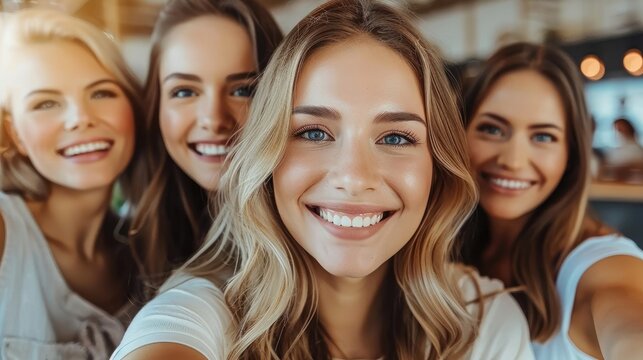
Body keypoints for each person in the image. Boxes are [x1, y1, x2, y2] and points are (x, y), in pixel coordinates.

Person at [112, 1, 533, 359]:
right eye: (313, 132)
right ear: (265, 152)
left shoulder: (484, 321)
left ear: (437, 165)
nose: (353, 176)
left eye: (395, 137)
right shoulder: (200, 311)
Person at [460, 42, 643, 359]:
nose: (513, 161)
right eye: (491, 129)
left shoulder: (603, 269)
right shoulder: (446, 247)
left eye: (543, 136)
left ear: (571, 155)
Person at [0, 8, 145, 359]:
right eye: (45, 102)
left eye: (101, 94)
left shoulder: (151, 249)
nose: (80, 119)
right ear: (16, 133)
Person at [127, 0, 283, 289]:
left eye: (243, 90)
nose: (213, 119)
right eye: (185, 91)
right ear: (156, 104)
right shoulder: (136, 234)